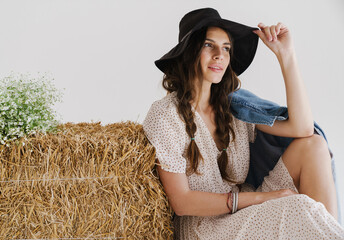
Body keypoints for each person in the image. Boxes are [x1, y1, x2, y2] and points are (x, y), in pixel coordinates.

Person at [143, 8, 344, 239]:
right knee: (300, 207)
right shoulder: (165, 115)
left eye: (226, 48)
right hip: (205, 228)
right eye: (209, 45)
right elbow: (182, 202)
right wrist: (264, 198)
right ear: (189, 52)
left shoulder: (233, 108)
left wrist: (286, 55)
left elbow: (303, 128)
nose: (220, 54)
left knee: (314, 146)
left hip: (245, 210)